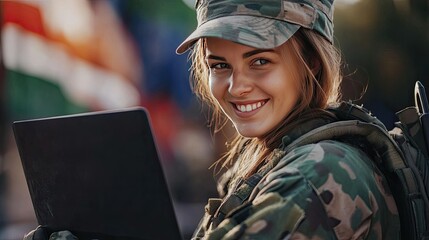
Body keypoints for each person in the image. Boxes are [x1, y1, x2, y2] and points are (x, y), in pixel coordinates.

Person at [24, 0, 400, 239]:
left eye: (260, 62)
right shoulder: (281, 158)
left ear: (311, 64)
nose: (237, 87)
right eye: (219, 65)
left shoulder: (317, 173)